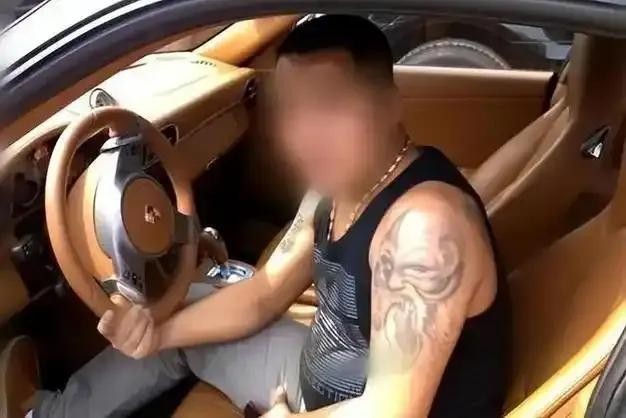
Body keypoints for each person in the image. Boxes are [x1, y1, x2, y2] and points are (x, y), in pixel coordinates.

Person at [1, 15, 510, 418]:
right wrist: (158, 334)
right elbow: (265, 292)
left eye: (329, 104)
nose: (306, 136)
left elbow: (391, 412)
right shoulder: (339, 186)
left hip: (351, 407)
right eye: (292, 110)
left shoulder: (425, 230)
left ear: (391, 104)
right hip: (322, 372)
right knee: (181, 308)